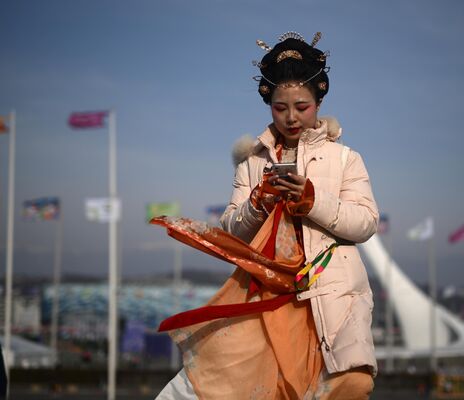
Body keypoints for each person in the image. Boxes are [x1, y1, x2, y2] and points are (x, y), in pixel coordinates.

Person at [156, 31, 379, 400]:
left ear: (319, 99)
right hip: (265, 296)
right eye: (280, 107)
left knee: (347, 383)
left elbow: (365, 222)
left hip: (329, 296)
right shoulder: (253, 161)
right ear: (268, 103)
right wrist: (258, 202)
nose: (291, 117)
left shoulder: (345, 160)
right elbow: (233, 231)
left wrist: (311, 200)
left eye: (302, 106)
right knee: (227, 384)